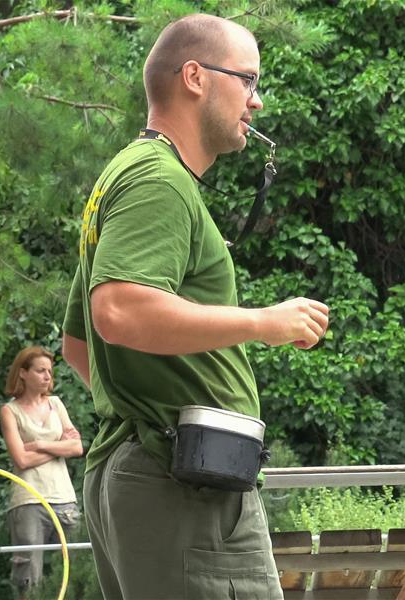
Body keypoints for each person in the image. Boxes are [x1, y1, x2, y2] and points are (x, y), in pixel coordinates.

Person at [61, 13, 329, 600]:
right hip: (180, 488)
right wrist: (263, 323)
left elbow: (78, 345)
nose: (256, 103)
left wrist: (141, 410)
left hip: (152, 473)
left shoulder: (125, 177)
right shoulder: (159, 182)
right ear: (195, 77)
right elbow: (119, 312)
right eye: (249, 80)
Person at [1, 346, 83, 594]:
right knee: (28, 577)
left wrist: (39, 444)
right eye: (40, 370)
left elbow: (78, 447)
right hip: (28, 502)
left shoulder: (56, 404)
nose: (48, 376)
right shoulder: (9, 411)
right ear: (23, 373)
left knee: (76, 570)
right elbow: (21, 460)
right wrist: (59, 447)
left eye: (49, 371)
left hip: (65, 500)